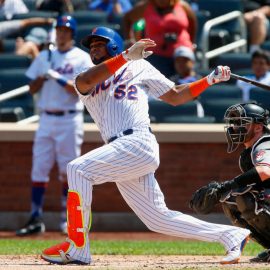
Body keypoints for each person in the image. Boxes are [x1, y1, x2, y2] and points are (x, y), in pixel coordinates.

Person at [41, 26, 250, 265]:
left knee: (77, 170)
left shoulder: (139, 66)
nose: (94, 49)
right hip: (121, 149)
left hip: (137, 141)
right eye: (91, 46)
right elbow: (86, 81)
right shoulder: (87, 71)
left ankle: (77, 247)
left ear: (114, 46)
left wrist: (209, 80)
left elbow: (175, 95)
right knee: (157, 219)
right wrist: (126, 56)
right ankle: (231, 235)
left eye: (100, 44)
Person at [15, 15, 93, 236]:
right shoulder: (44, 56)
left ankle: (67, 220)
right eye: (59, 30)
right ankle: (35, 217)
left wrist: (56, 76)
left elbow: (79, 90)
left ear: (72, 34)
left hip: (70, 118)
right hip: (46, 118)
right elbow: (31, 89)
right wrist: (43, 76)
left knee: (67, 171)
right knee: (39, 169)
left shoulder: (81, 58)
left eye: (66, 31)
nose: (61, 34)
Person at [191, 102, 270, 262]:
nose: (235, 127)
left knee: (247, 198)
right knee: (230, 198)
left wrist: (226, 185)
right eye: (234, 122)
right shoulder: (248, 152)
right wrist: (226, 189)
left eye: (242, 123)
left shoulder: (265, 144)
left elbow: (265, 171)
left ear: (258, 127)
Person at [123, 0, 197, 58]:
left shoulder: (182, 5)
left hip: (182, 54)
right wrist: (129, 40)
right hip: (154, 55)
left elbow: (192, 21)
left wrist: (191, 42)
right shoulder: (146, 6)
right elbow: (127, 18)